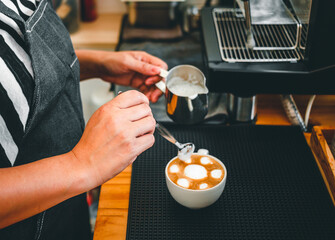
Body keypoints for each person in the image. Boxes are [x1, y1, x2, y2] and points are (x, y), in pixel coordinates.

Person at [0, 0, 167, 239]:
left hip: (68, 208)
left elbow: (17, 65)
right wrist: (81, 164)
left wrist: (97, 65)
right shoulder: (79, 168)